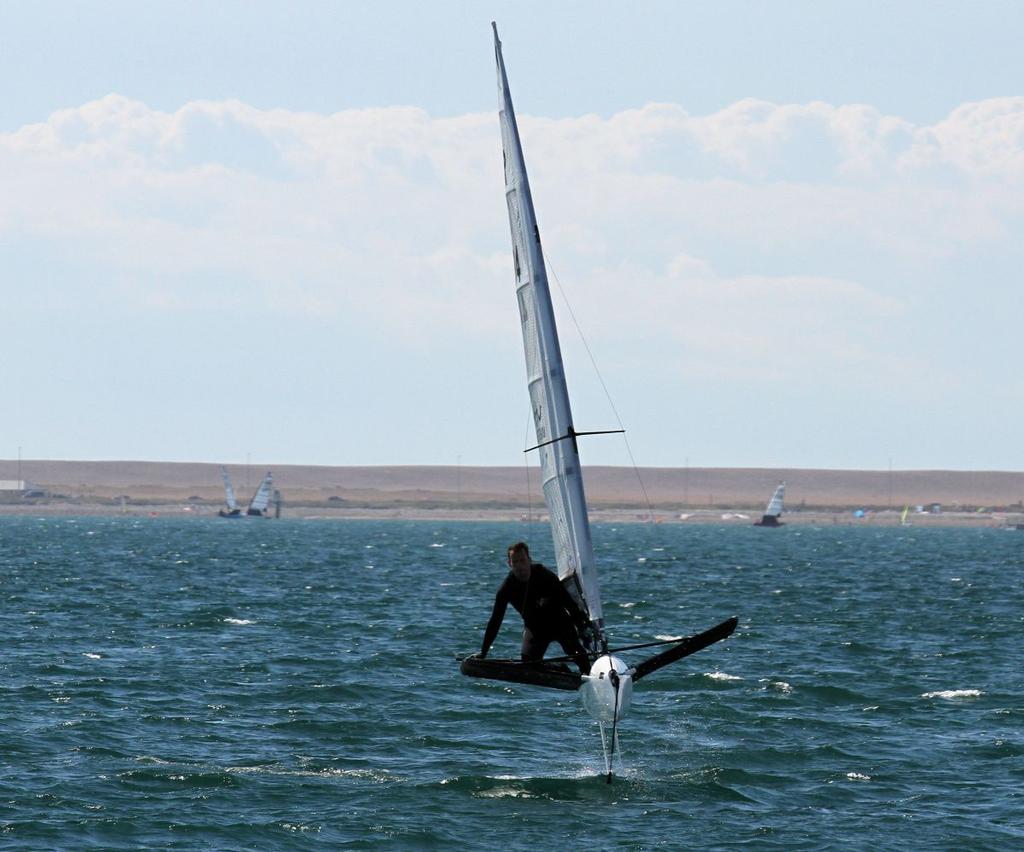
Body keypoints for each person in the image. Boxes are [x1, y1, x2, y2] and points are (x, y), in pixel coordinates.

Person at [478, 541, 592, 674]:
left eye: (522, 561)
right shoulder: (506, 588)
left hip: (560, 624)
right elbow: (495, 621)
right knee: (528, 665)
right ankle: (560, 669)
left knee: (582, 661)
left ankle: (589, 672)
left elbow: (569, 603)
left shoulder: (545, 575)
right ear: (510, 564)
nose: (520, 566)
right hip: (536, 630)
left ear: (529, 560)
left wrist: (582, 627)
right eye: (515, 562)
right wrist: (483, 653)